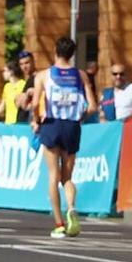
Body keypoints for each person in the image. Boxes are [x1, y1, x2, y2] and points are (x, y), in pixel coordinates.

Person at [32, 35, 97, 238]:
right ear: (72, 54)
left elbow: (34, 105)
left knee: (53, 175)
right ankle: (71, 206)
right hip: (72, 125)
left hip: (51, 124)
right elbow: (93, 107)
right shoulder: (81, 75)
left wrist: (37, 120)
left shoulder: (44, 75)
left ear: (55, 52)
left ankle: (59, 223)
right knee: (67, 177)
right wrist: (79, 118)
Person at [0, 51, 33, 125]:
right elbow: (3, 105)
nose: (24, 67)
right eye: (21, 64)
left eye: (27, 63)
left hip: (26, 123)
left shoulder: (26, 82)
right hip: (13, 122)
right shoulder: (7, 86)